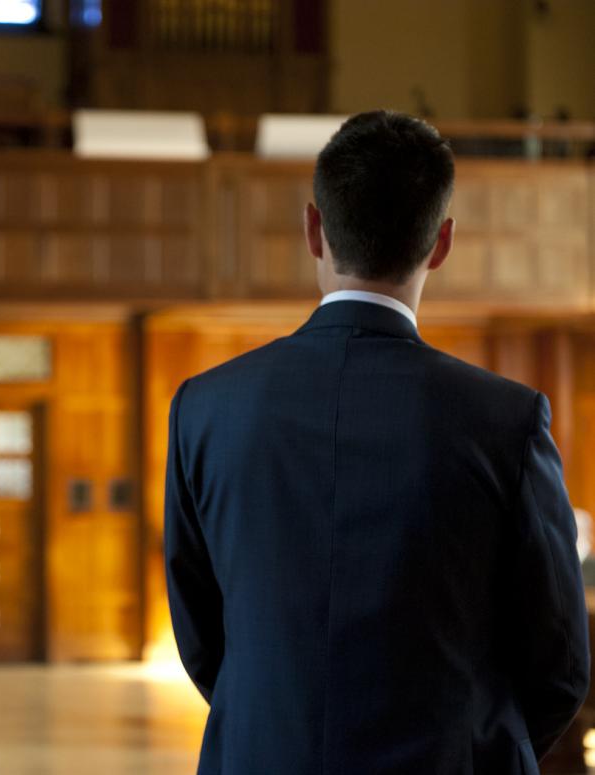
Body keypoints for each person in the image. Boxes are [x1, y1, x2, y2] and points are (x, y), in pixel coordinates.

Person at [164, 110, 590, 775]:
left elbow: (201, 635)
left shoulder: (206, 407)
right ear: (441, 242)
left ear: (314, 228)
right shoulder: (507, 420)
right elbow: (559, 661)